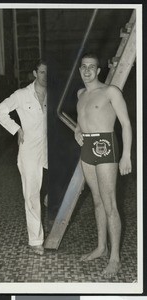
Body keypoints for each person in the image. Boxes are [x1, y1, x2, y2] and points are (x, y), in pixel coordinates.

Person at [74, 53, 132, 277]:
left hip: (106, 145)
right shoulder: (80, 94)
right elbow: (81, 122)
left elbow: (126, 124)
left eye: (92, 67)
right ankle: (101, 247)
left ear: (99, 71)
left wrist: (126, 155)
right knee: (97, 201)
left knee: (110, 204)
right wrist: (78, 132)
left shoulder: (110, 92)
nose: (87, 70)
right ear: (80, 70)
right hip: (87, 147)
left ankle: (115, 258)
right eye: (84, 67)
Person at [0, 60, 47, 255]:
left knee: (53, 189)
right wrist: (17, 129)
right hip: (30, 151)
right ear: (35, 73)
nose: (45, 76)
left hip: (50, 150)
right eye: (42, 72)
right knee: (32, 195)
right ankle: (35, 241)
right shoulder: (22, 95)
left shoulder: (55, 93)